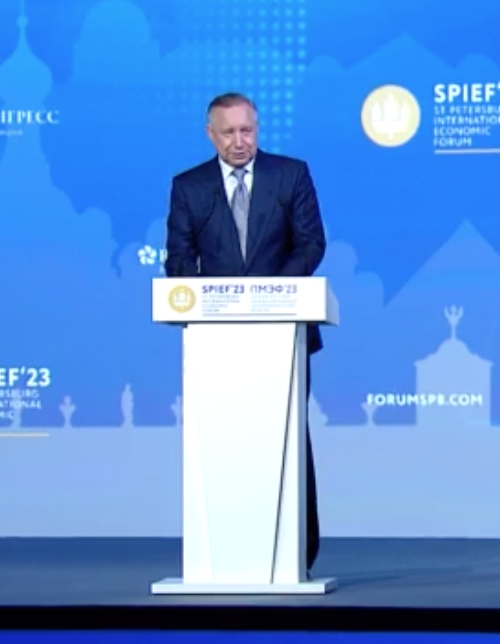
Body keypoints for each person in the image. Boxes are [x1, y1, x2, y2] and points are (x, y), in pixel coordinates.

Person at [164, 92, 327, 575]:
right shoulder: (189, 187)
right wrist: (219, 301)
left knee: (287, 440)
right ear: (210, 135)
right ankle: (224, 556)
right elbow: (178, 258)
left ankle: (296, 554)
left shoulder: (290, 175)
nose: (240, 141)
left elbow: (311, 244)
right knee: (224, 442)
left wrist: (265, 297)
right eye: (230, 132)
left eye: (247, 130)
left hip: (283, 336)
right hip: (216, 343)